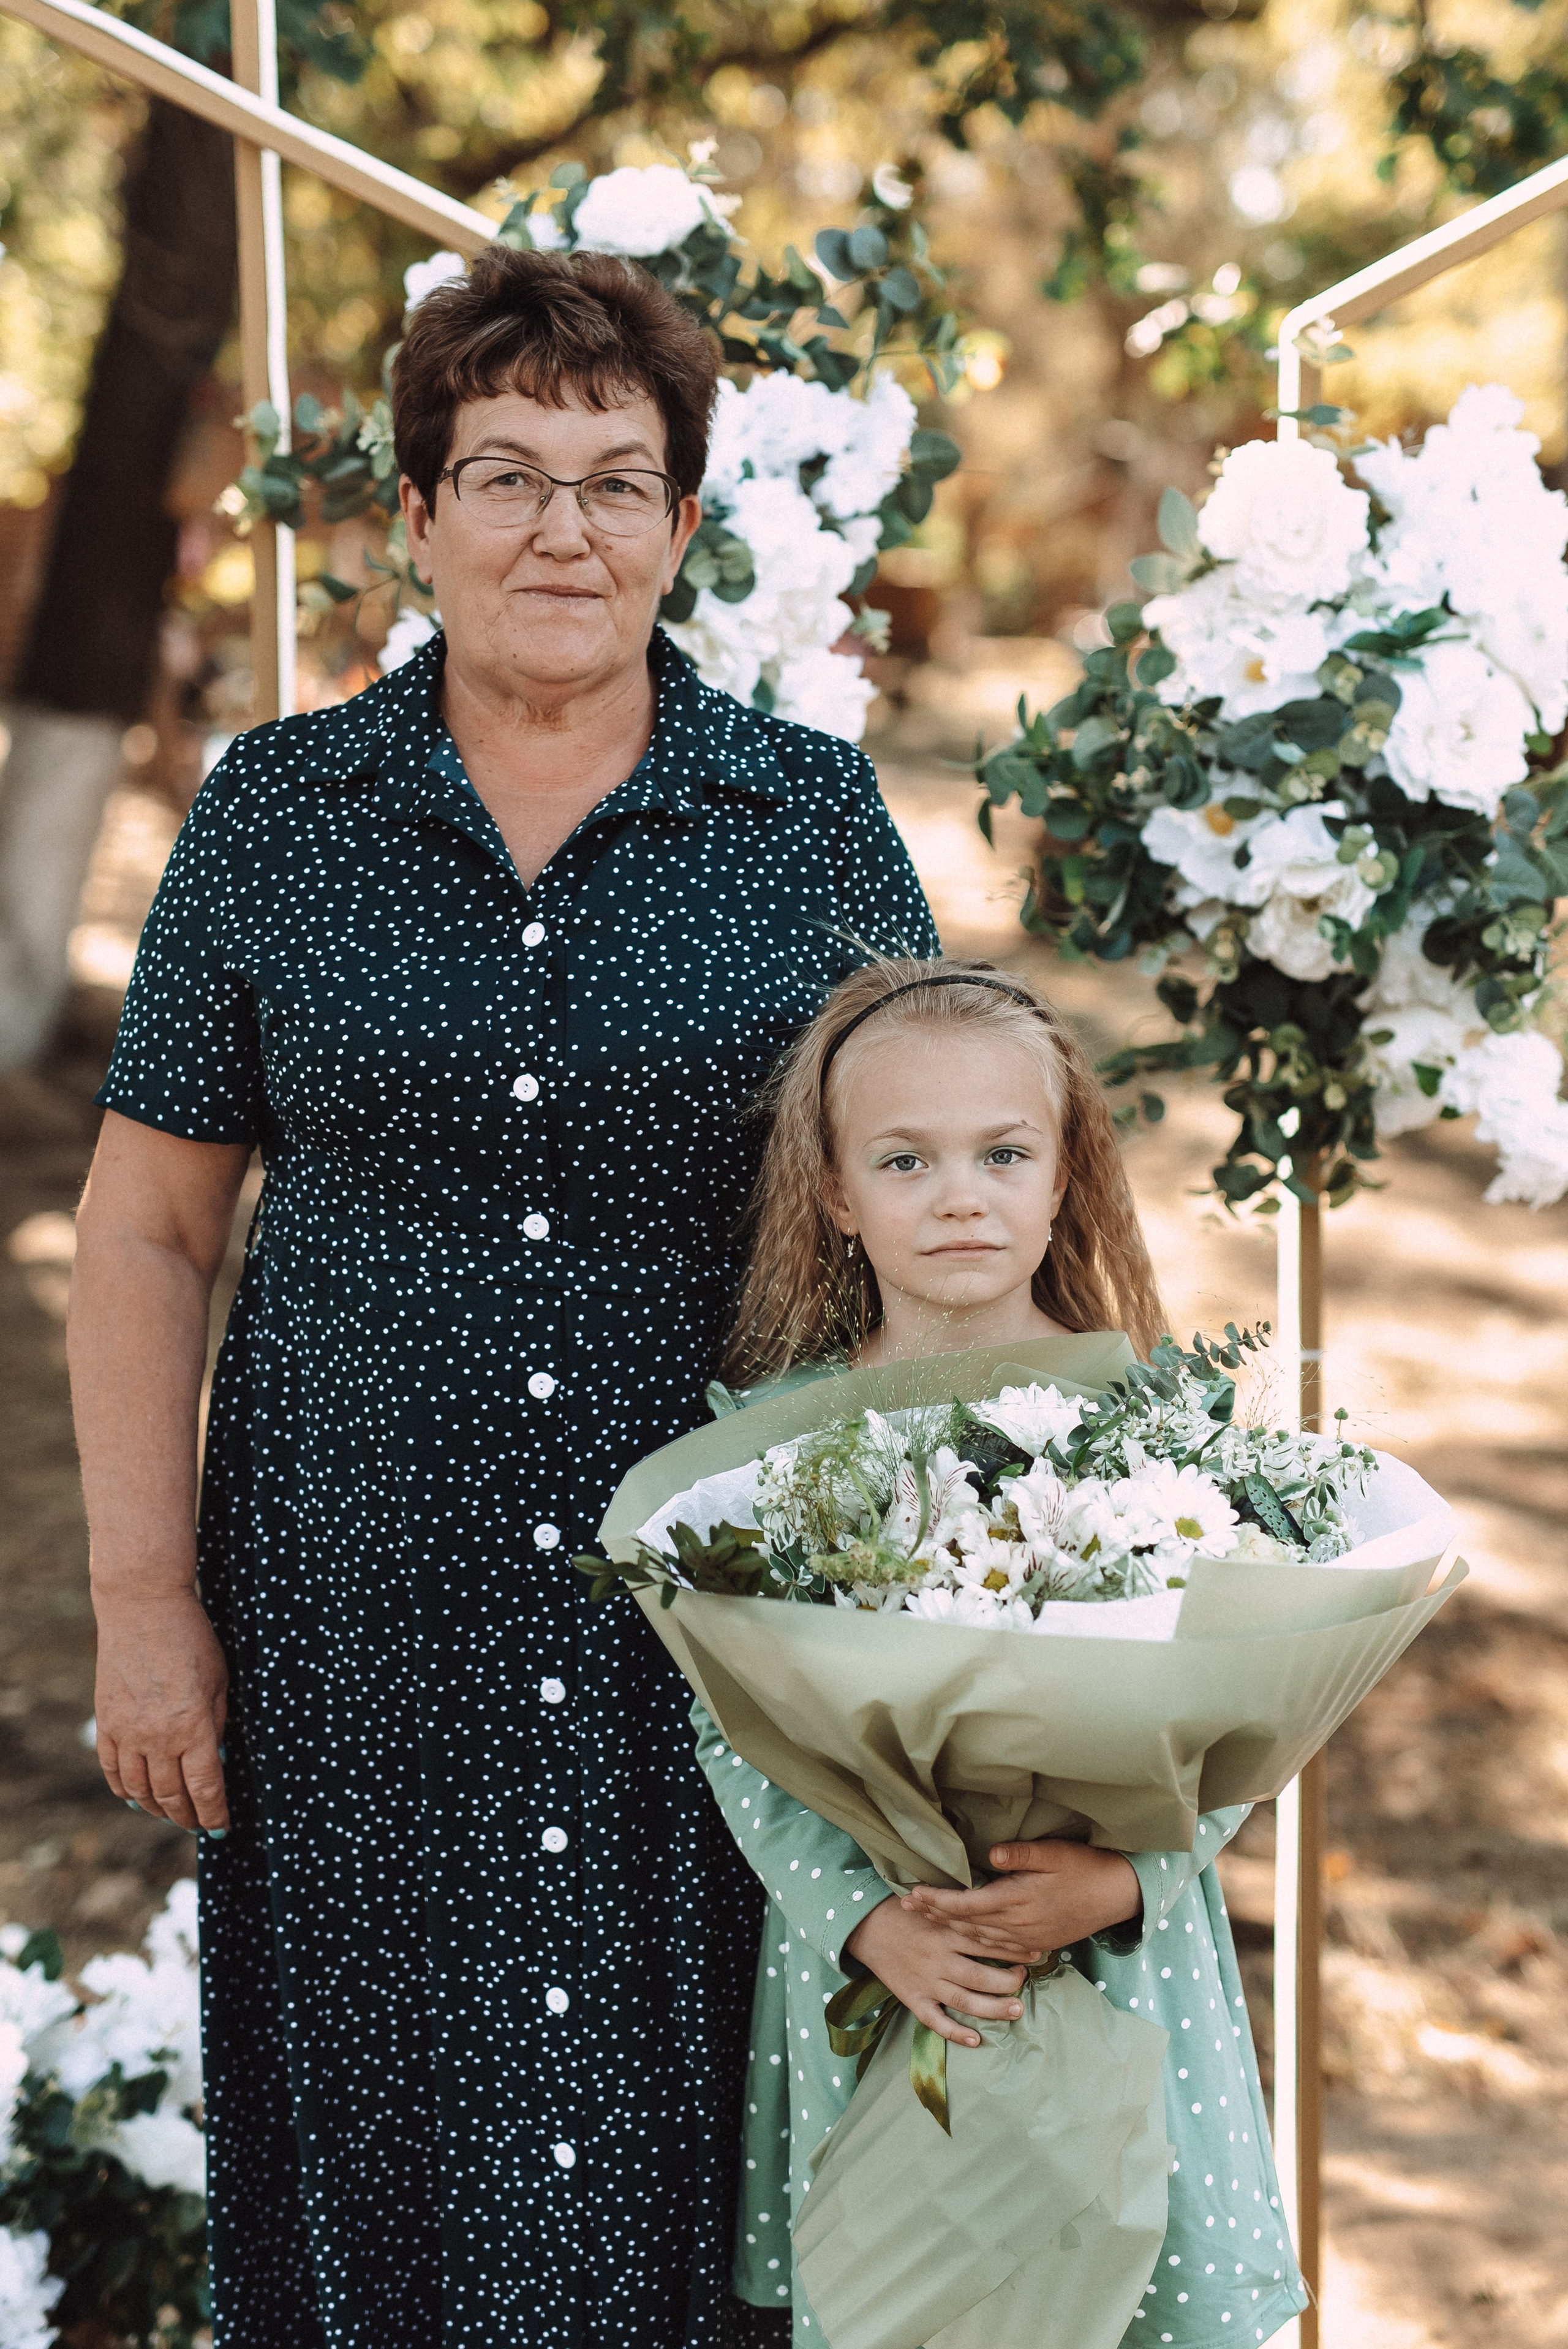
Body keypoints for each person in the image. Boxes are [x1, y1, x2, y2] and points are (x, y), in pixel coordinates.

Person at [67, 247, 937, 2349]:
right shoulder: (277, 815)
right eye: (510, 475)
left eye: (617, 481)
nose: (566, 528)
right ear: (421, 513)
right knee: (373, 2142)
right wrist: (145, 1601)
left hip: (714, 1631)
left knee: (703, 2135)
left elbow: (944, 1189)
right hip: (350, 1616)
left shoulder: (806, 817)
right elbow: (148, 1226)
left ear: (682, 524)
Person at [696, 958, 1309, 2347]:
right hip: (895, 1967)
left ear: (1062, 1176)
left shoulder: (1160, 1426)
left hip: (1115, 1953)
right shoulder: (775, 1446)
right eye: (904, 1160)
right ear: (836, 1194)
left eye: (1003, 1154)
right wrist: (865, 1921)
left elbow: (1249, 1711)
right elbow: (733, 1722)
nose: (959, 1195)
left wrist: (1127, 1878)